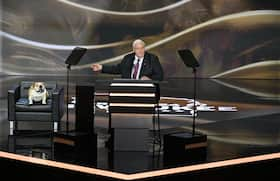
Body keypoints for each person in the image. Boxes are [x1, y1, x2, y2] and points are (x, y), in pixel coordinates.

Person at [91, 39, 164, 81]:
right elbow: (117, 69)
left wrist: (149, 79)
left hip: (145, 90)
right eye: (138, 48)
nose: (140, 50)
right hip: (128, 88)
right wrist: (101, 67)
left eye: (142, 48)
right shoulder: (128, 58)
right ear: (134, 49)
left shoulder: (152, 59)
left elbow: (160, 76)